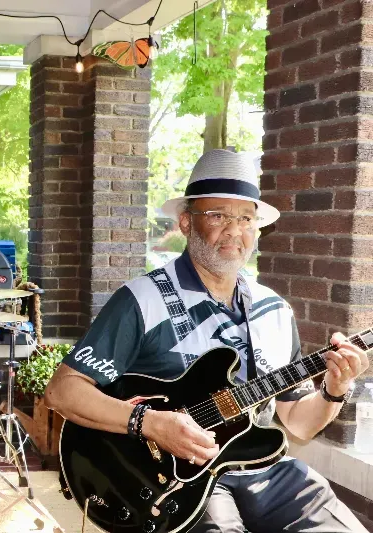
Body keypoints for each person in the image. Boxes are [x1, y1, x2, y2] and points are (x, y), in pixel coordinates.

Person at [45, 149, 369, 532]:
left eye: (246, 218)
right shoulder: (142, 301)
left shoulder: (275, 311)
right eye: (217, 216)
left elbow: (297, 423)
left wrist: (334, 389)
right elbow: (63, 392)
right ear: (186, 222)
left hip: (265, 470)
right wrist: (148, 423)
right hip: (178, 482)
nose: (234, 230)